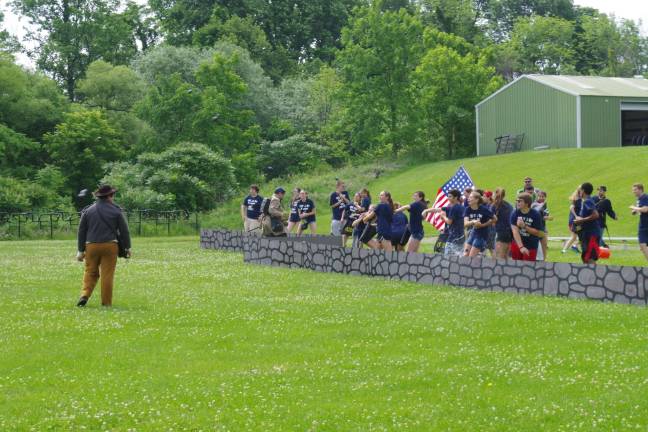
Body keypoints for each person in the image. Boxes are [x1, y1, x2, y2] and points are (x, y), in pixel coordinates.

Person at [76, 185, 132, 307]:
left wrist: (80, 250)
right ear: (109, 196)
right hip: (110, 245)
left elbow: (81, 231)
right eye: (113, 195)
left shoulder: (88, 211)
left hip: (91, 246)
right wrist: (128, 247)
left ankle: (84, 295)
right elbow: (124, 231)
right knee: (107, 275)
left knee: (90, 272)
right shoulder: (116, 211)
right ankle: (106, 303)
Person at [423, 189, 464, 257]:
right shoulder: (460, 207)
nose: (448, 198)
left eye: (450, 196)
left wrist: (443, 217)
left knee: (448, 257)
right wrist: (426, 210)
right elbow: (437, 209)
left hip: (454, 237)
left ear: (456, 197)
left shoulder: (454, 208)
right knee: (459, 256)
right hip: (461, 236)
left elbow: (449, 222)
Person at [510, 193, 544, 261]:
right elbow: (515, 231)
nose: (517, 203)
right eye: (517, 201)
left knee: (528, 269)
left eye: (520, 201)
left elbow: (538, 233)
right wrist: (521, 247)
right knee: (516, 268)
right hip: (517, 244)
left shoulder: (535, 214)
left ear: (527, 203)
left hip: (531, 246)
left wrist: (524, 226)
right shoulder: (515, 213)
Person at [573, 182, 601, 264]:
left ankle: (596, 276)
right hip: (587, 234)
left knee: (589, 258)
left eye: (580, 190)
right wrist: (579, 218)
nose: (579, 192)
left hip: (591, 234)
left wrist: (581, 220)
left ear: (583, 191)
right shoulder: (586, 201)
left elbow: (596, 215)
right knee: (585, 258)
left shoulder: (587, 201)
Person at [463, 191, 495, 257]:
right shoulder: (467, 209)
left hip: (482, 236)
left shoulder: (484, 209)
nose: (468, 199)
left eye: (471, 197)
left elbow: (495, 219)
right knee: (465, 255)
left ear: (477, 200)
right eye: (468, 197)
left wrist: (483, 225)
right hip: (473, 233)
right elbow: (465, 223)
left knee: (471, 257)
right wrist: (473, 221)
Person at [491, 188, 513, 259]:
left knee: (498, 258)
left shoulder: (494, 206)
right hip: (509, 233)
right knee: (505, 257)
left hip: (500, 233)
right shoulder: (509, 206)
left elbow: (492, 221)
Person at [531, 190, 552, 261]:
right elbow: (536, 215)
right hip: (535, 229)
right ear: (537, 196)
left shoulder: (544, 204)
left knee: (544, 245)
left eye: (543, 197)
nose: (541, 198)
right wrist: (545, 217)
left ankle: (544, 260)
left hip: (542, 228)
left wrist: (548, 217)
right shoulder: (534, 204)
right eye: (539, 196)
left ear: (545, 197)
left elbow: (546, 214)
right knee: (535, 247)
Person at [630, 183, 648, 262]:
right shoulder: (639, 198)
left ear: (640, 190)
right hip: (643, 225)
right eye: (633, 190)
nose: (633, 191)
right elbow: (641, 209)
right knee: (642, 246)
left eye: (635, 190)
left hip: (646, 225)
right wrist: (635, 211)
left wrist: (634, 207)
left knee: (643, 245)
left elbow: (645, 209)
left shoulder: (644, 197)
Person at [561, 188, 582, 254]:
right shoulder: (577, 199)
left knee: (579, 235)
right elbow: (571, 207)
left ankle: (572, 247)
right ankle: (567, 248)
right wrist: (576, 216)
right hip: (575, 221)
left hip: (577, 221)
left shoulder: (579, 199)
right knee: (575, 236)